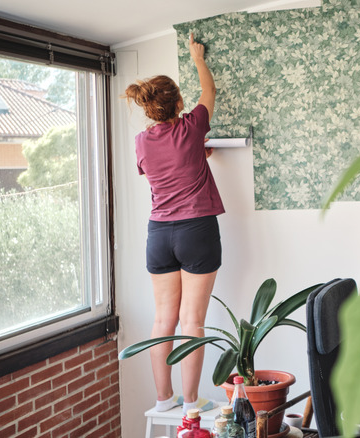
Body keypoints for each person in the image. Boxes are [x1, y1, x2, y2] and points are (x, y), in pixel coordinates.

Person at [124, 33, 222, 414]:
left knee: (163, 319)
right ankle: (192, 403)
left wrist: (197, 155)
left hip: (159, 235)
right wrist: (198, 58)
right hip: (196, 231)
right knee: (191, 321)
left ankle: (164, 399)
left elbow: (162, 171)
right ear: (178, 102)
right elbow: (209, 91)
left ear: (150, 109)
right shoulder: (192, 126)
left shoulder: (142, 141)